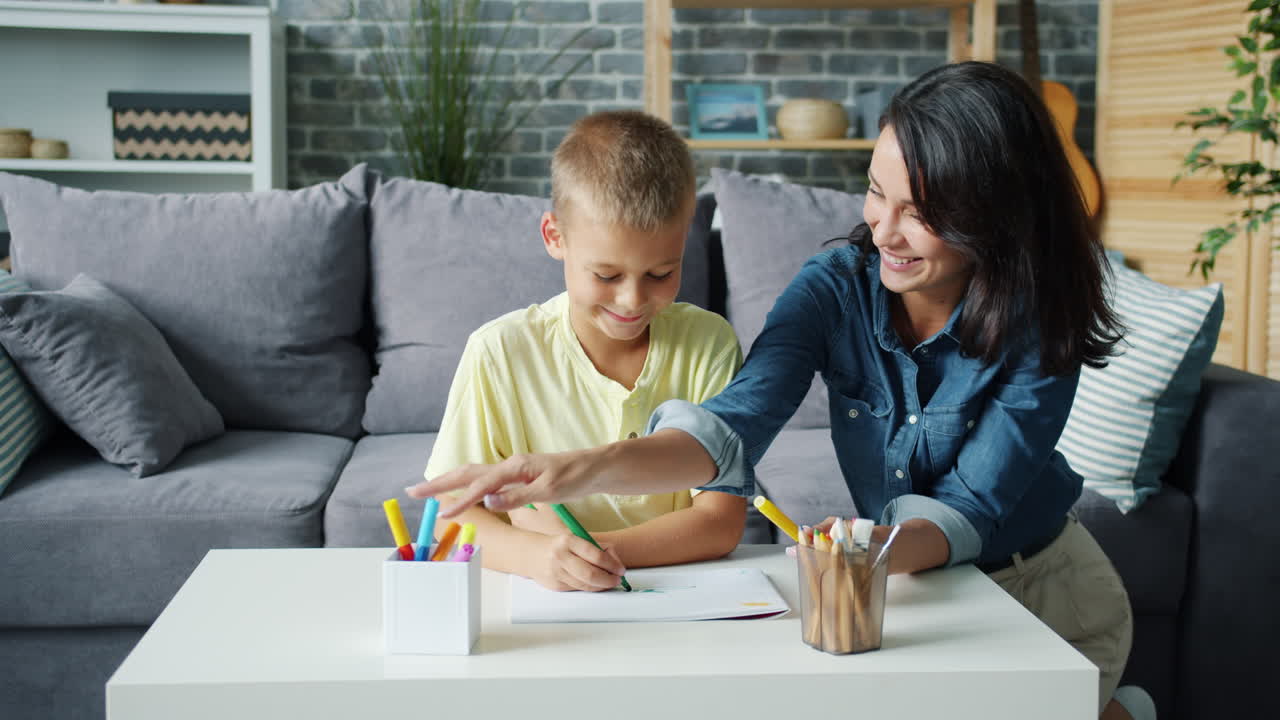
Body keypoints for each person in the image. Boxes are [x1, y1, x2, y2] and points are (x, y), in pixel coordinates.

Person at [408, 63, 1154, 720]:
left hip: (1045, 592)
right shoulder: (834, 289)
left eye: (921, 214)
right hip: (922, 591)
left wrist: (860, 553)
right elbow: (731, 428)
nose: (884, 230)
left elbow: (969, 511)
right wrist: (576, 469)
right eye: (874, 192)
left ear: (995, 217)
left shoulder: (1040, 319)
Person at [421, 110, 747, 593]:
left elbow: (721, 521)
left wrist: (598, 554)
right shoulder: (499, 351)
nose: (633, 300)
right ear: (555, 236)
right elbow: (448, 521)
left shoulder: (709, 344)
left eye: (661, 274)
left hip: (673, 602)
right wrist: (536, 557)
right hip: (538, 599)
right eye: (607, 275)